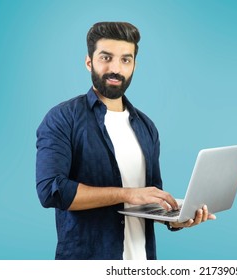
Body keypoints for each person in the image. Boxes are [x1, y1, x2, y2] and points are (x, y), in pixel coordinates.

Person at [35, 22, 215, 260]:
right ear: (89, 62)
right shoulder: (62, 118)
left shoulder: (146, 127)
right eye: (106, 57)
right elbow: (51, 191)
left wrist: (177, 219)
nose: (115, 68)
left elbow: (151, 197)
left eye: (125, 60)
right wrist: (127, 194)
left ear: (134, 65)